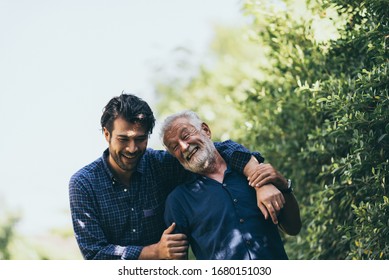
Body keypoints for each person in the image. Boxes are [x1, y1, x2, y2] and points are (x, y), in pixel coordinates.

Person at [69, 94, 286, 260]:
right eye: (123, 139)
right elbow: (95, 254)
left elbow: (215, 151)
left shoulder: (161, 165)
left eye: (140, 139)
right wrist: (154, 251)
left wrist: (258, 178)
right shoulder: (84, 184)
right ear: (107, 135)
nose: (132, 148)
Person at [161, 110, 302, 260]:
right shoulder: (178, 201)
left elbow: (293, 228)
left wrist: (284, 185)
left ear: (206, 131)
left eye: (186, 135)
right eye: (174, 147)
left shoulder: (253, 171)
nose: (183, 147)